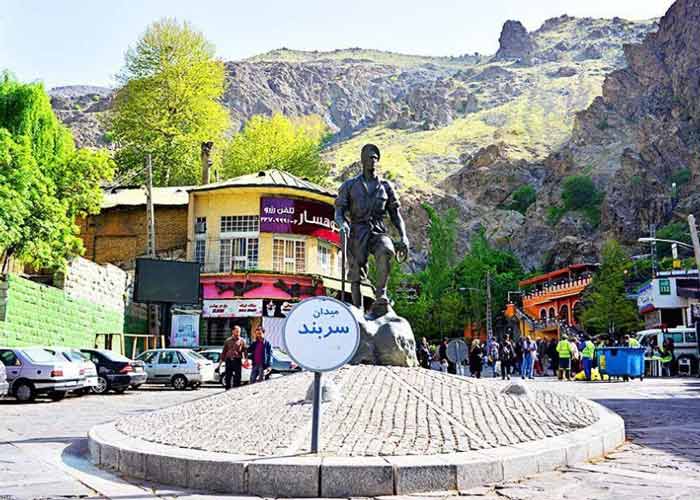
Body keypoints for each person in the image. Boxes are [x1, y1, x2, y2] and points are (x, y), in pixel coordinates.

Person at [334, 144, 409, 315]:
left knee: (386, 250)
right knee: (355, 272)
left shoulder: (385, 186)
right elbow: (339, 211)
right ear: (362, 160)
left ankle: (381, 294)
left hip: (377, 229)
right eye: (369, 157)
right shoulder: (350, 185)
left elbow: (395, 214)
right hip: (357, 230)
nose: (372, 161)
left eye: (375, 158)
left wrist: (403, 236)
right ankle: (357, 309)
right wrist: (342, 223)